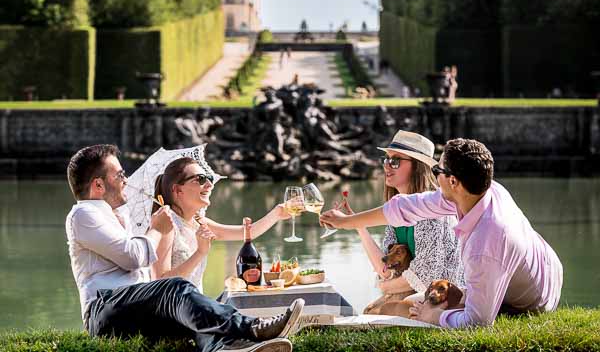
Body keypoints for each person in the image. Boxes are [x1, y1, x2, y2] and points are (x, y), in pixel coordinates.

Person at [65, 145, 304, 352]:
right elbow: (133, 257)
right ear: (98, 185)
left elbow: (143, 274)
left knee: (205, 308)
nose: (125, 181)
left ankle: (224, 348)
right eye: (119, 175)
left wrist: (276, 213)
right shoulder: (84, 214)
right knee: (178, 287)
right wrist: (158, 229)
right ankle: (252, 328)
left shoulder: (121, 215)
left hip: (136, 308)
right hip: (104, 311)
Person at [320, 138, 563, 328]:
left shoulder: (485, 243)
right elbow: (404, 207)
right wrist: (348, 222)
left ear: (454, 181)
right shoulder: (481, 192)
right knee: (398, 308)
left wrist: (435, 316)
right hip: (543, 269)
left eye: (439, 170)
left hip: (532, 301)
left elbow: (476, 324)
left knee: (413, 312)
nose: (435, 175)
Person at [341, 131, 464, 306]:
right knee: (371, 311)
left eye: (395, 161)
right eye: (386, 159)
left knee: (379, 312)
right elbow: (385, 269)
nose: (387, 166)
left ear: (418, 166)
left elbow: (427, 277)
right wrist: (359, 225)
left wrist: (386, 288)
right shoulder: (396, 211)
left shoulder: (432, 211)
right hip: (413, 293)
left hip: (443, 297)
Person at [150, 157, 291, 291]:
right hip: (174, 310)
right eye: (200, 179)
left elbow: (248, 233)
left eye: (209, 178)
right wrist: (200, 252)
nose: (210, 185)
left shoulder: (198, 221)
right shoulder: (166, 224)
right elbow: (160, 282)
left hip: (195, 305)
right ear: (177, 190)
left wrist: (277, 213)